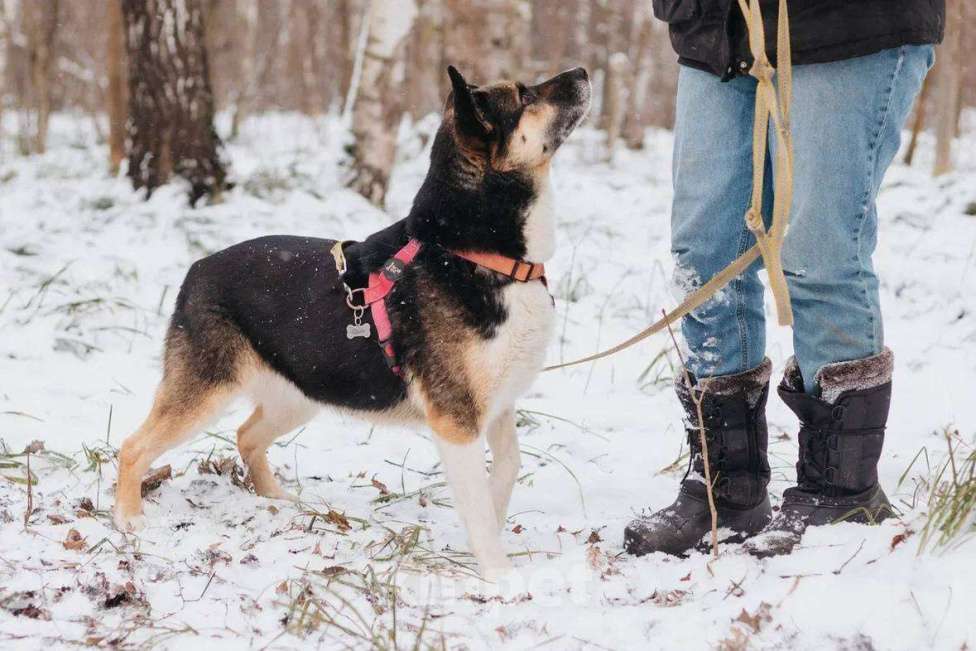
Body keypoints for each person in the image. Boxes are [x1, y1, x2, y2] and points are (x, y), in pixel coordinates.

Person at [624, 0, 945, 557]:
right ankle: (728, 489)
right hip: (717, 28)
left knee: (818, 252)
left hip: (847, 26)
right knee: (705, 255)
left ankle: (840, 494)